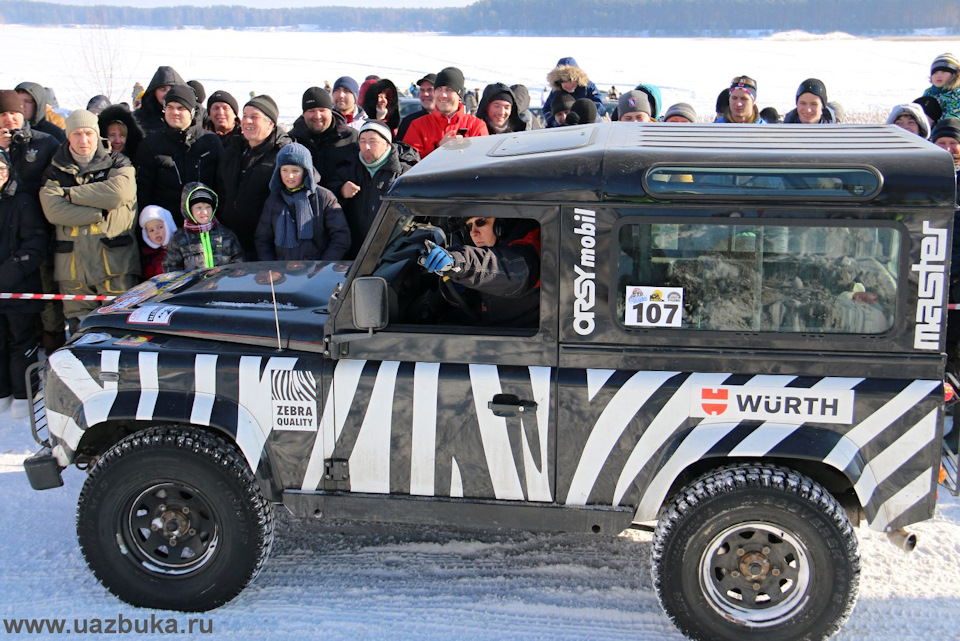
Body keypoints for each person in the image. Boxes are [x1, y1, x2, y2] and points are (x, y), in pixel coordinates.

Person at [39, 109, 140, 329]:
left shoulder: (118, 161)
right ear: (68, 136)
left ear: (97, 134)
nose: (83, 140)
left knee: (119, 329)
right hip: (74, 268)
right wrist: (98, 213)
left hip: (115, 263)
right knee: (80, 332)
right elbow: (53, 210)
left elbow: (119, 194)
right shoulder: (54, 170)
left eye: (88, 133)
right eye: (77, 134)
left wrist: (71, 194)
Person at [0, 90, 62, 351]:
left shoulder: (45, 142)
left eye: (14, 112)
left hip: (41, 235)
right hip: (6, 240)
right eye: (3, 114)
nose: (9, 119)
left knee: (47, 307)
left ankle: (48, 354)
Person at [419, 215, 540, 327]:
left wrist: (458, 263)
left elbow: (507, 270)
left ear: (501, 223)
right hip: (490, 321)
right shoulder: (500, 244)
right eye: (469, 226)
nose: (473, 233)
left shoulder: (528, 247)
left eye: (481, 222)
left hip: (517, 332)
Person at [0, 149, 47, 417]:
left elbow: (35, 244)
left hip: (20, 288)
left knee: (21, 341)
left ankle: (24, 393)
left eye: (1, 169)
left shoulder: (23, 201)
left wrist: (8, 273)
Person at [135, 84, 222, 227]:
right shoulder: (150, 145)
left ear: (192, 111)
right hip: (167, 228)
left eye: (180, 108)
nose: (174, 112)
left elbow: (222, 186)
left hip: (205, 225)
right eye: (169, 107)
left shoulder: (210, 142)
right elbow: (143, 191)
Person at [217, 94, 291, 257]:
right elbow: (222, 189)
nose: (247, 121)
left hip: (265, 245)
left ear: (270, 123)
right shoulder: (233, 149)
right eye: (245, 116)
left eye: (254, 117)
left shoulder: (283, 155)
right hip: (230, 242)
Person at [334, 120, 419, 258]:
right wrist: (340, 191)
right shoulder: (348, 169)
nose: (366, 147)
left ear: (386, 144)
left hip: (392, 253)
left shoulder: (404, 173)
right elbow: (328, 200)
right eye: (362, 141)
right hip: (355, 252)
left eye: (373, 141)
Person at [254, 142, 350, 261]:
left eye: (295, 171)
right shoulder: (274, 200)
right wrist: (272, 269)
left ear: (306, 171)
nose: (290, 176)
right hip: (282, 272)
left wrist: (323, 265)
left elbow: (341, 237)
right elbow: (262, 240)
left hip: (315, 272)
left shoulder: (324, 197)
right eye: (284, 170)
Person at [401, 67, 488, 159]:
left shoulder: (476, 126)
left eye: (449, 89)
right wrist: (438, 148)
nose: (443, 95)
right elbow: (409, 163)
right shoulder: (418, 126)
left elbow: (484, 162)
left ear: (459, 95)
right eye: (439, 89)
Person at [289, 87, 358, 192]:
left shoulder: (351, 137)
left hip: (344, 205)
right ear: (304, 114)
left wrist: (341, 189)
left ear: (331, 111)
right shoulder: (292, 141)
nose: (317, 116)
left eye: (322, 110)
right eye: (311, 110)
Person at [163, 182, 243, 271]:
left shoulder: (226, 235)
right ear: (189, 209)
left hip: (222, 283)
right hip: (195, 284)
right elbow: (170, 267)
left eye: (208, 207)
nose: (204, 212)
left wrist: (226, 273)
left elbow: (238, 260)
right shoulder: (179, 239)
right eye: (199, 207)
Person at [541, 57, 604, 128]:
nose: (569, 84)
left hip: (587, 125)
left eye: (571, 79)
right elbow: (547, 109)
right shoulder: (556, 91)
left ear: (578, 78)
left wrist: (588, 117)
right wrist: (555, 122)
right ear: (558, 82)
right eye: (564, 81)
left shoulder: (587, 87)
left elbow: (598, 103)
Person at [134, 65, 186, 136]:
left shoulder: (190, 115)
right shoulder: (139, 118)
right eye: (163, 89)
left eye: (172, 89)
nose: (168, 94)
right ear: (154, 92)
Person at [139, 205, 176, 279]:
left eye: (160, 227)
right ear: (147, 235)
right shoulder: (147, 255)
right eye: (151, 230)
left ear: (168, 226)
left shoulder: (179, 248)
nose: (156, 232)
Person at [397, 73, 436, 141]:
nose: (425, 94)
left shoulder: (450, 121)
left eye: (430, 90)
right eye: (422, 90)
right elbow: (400, 149)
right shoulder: (409, 122)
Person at [923, 52, 960, 121]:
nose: (938, 76)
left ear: (955, 75)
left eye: (943, 72)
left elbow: (953, 118)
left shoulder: (957, 94)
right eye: (935, 73)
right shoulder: (928, 93)